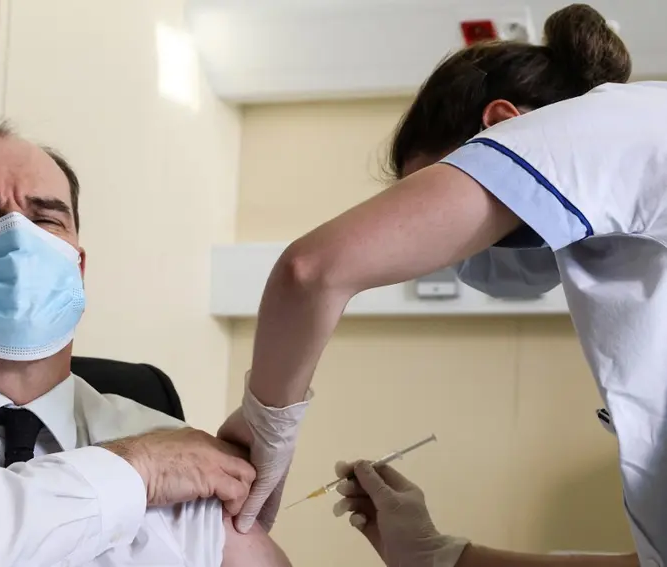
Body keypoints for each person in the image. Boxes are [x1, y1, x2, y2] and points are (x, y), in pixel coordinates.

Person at [219, 3, 667, 565]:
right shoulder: (630, 239)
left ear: (503, 126)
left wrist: (266, 425)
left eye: (433, 187)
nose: (457, 257)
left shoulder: (610, 124)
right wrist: (440, 556)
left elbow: (311, 269)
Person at [0, 123, 291, 567]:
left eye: (45, 219)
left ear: (77, 270)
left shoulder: (168, 443)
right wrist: (139, 470)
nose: (19, 243)